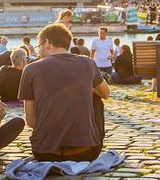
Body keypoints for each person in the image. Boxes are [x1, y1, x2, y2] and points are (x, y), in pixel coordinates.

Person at [19, 24, 110, 162]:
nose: (38, 52)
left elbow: (31, 121)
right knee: (96, 98)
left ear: (47, 43)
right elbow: (105, 93)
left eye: (39, 46)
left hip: (45, 153)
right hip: (87, 152)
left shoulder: (31, 69)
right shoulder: (88, 63)